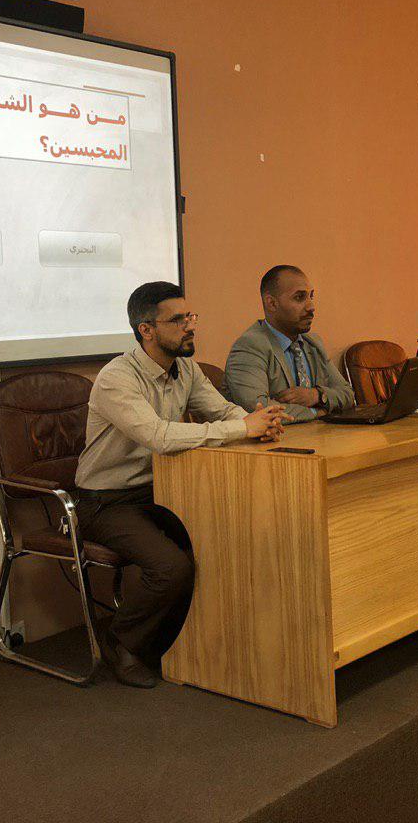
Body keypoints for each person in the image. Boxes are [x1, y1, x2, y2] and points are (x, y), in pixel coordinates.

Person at [74, 281, 288, 688]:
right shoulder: (116, 378)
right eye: (178, 320)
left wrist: (259, 422)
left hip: (161, 490)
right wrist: (241, 428)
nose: (190, 326)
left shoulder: (185, 369)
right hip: (106, 501)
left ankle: (194, 644)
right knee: (171, 567)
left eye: (191, 316)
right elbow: (159, 436)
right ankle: (121, 642)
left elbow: (222, 411)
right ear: (146, 330)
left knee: (222, 541)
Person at [224, 265, 356, 422]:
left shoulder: (313, 343)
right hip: (277, 438)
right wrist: (316, 413)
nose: (311, 307)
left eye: (311, 297)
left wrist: (317, 395)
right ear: (272, 303)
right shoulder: (250, 346)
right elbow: (258, 409)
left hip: (319, 434)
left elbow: (348, 394)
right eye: (299, 297)